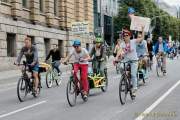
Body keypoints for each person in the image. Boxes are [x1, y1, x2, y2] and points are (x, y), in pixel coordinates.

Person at [115, 27, 145, 96]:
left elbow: (142, 38)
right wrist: (116, 58)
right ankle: (124, 79)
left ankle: (134, 88)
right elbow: (119, 51)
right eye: (124, 36)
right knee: (121, 67)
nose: (125, 37)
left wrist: (142, 30)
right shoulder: (122, 44)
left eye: (127, 36)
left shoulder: (133, 41)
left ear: (129, 36)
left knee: (133, 74)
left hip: (134, 60)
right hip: (126, 60)